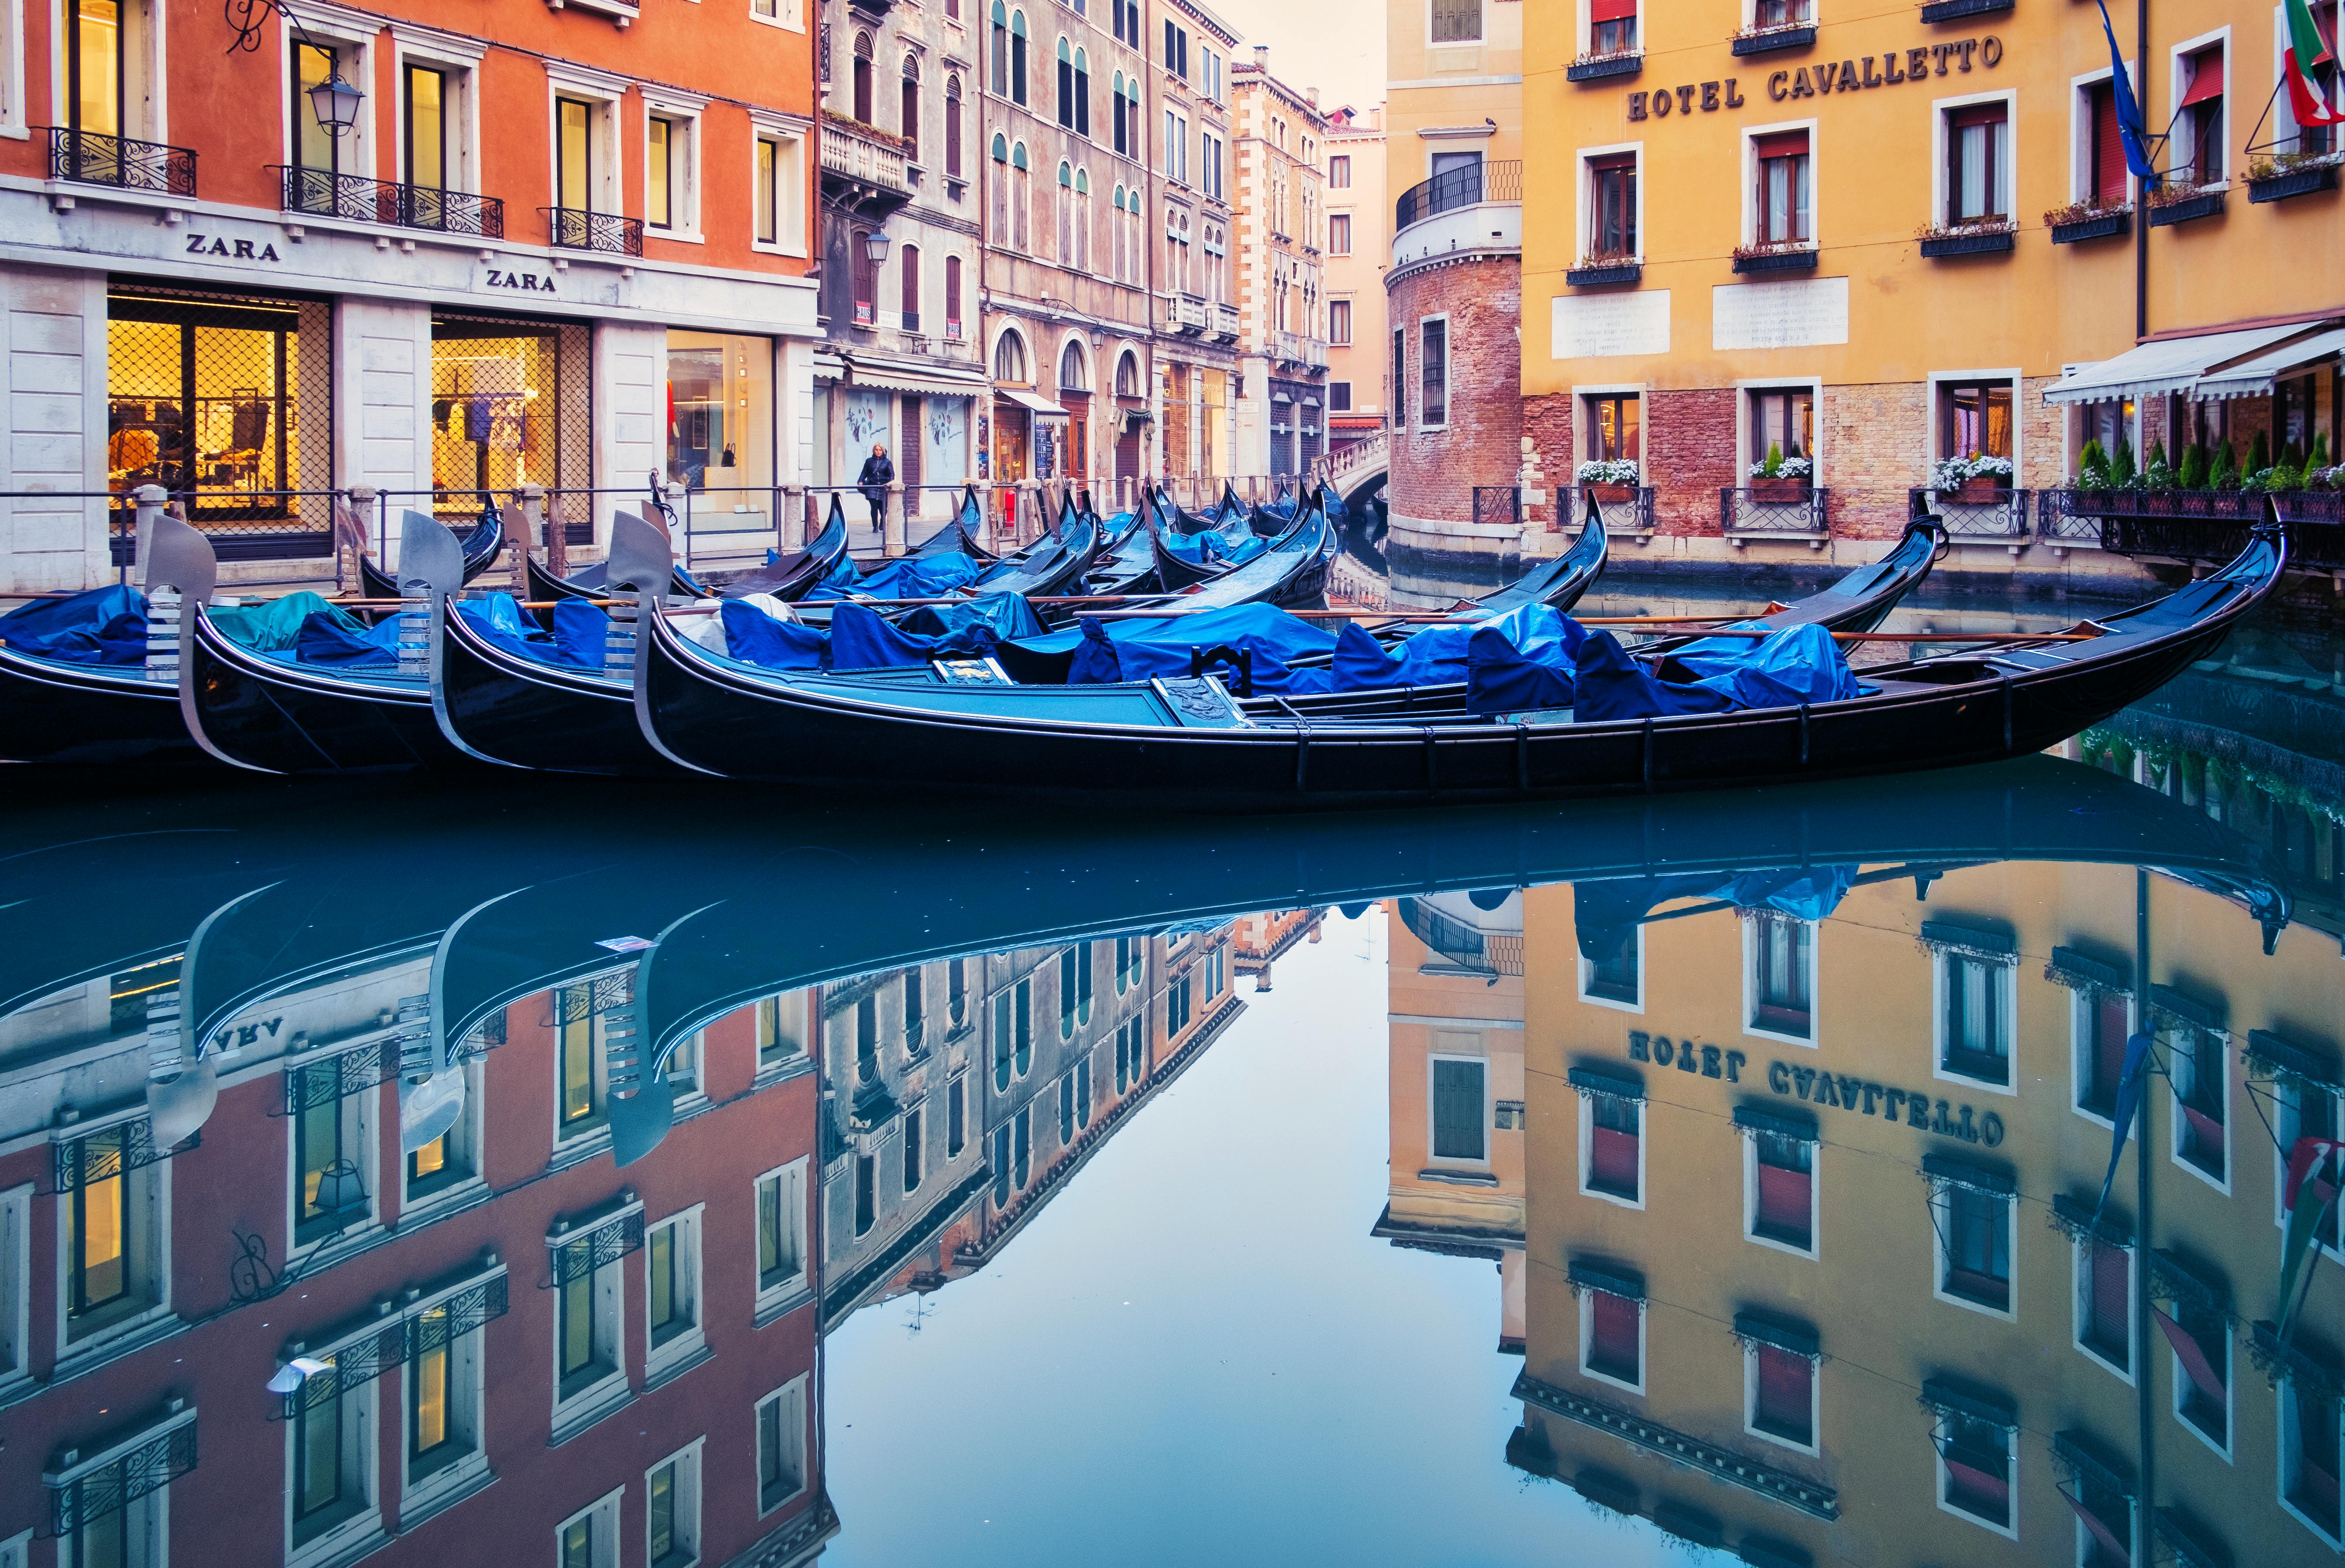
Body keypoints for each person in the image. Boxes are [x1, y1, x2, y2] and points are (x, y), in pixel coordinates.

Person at [856, 443, 894, 531]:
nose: (878, 452)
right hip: (872, 486)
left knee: (883, 508)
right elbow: (864, 472)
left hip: (883, 486)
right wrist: (861, 481)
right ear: (874, 451)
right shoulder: (869, 461)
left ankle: (882, 522)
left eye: (880, 450)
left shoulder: (887, 462)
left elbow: (892, 474)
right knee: (874, 507)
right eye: (876, 450)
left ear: (883, 451)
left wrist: (890, 483)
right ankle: (875, 527)